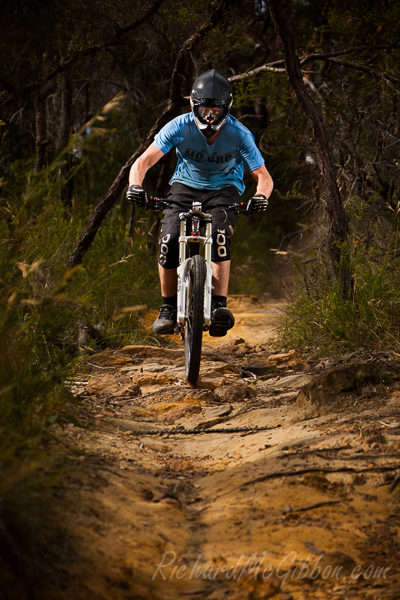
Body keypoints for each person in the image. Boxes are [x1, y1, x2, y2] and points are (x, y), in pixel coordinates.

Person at [126, 69, 273, 336]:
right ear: (194, 105)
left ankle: (218, 306)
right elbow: (143, 162)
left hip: (224, 190)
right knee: (169, 240)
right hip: (184, 187)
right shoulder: (178, 126)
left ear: (226, 108)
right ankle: (168, 308)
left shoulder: (239, 134)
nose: (209, 115)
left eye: (216, 110)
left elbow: (263, 176)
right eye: (205, 108)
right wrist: (134, 186)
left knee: (219, 236)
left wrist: (260, 197)